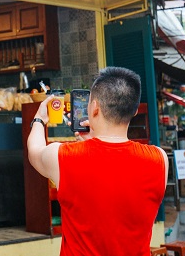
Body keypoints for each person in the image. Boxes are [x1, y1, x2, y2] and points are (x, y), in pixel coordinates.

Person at [27, 67, 168, 255]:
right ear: (134, 111)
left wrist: (39, 119)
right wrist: (94, 141)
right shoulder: (159, 159)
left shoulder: (63, 156)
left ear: (94, 107)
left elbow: (34, 151)